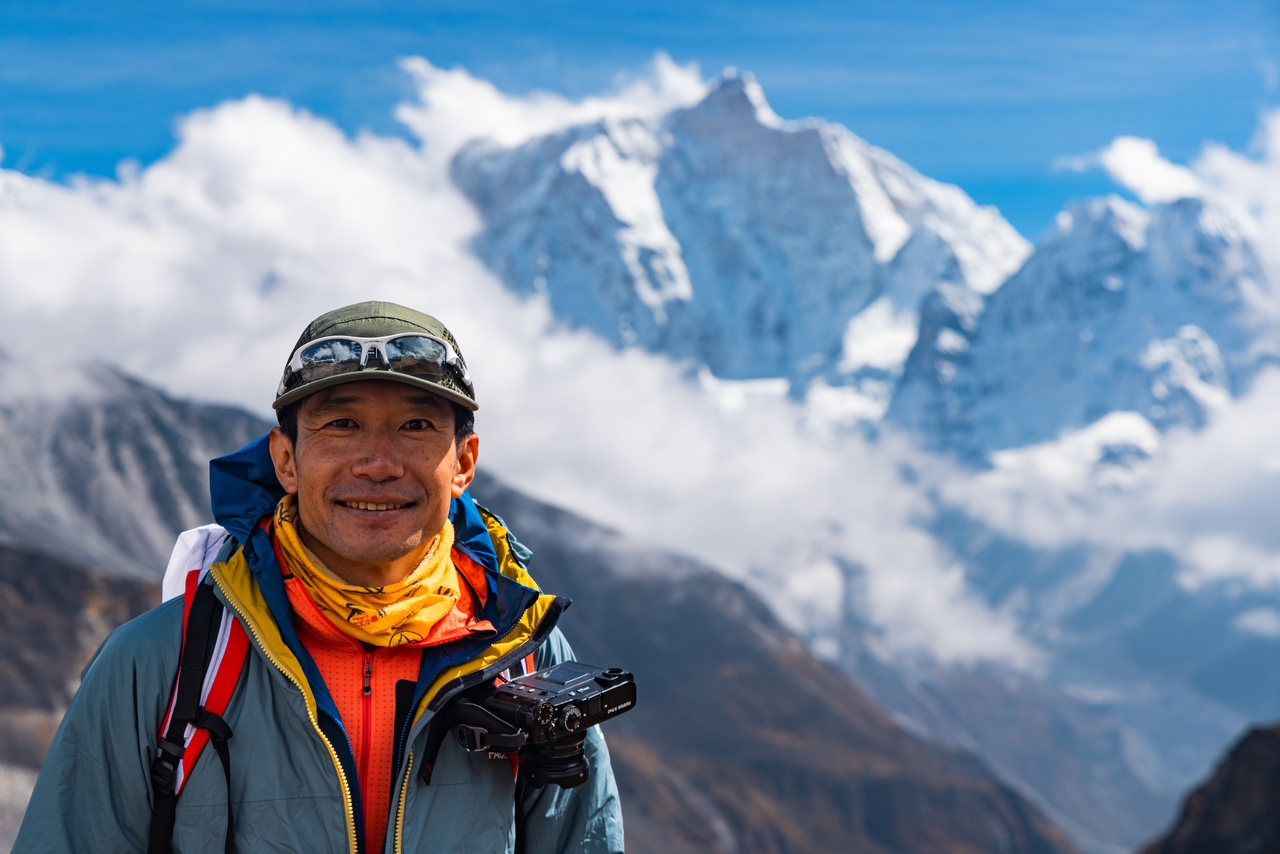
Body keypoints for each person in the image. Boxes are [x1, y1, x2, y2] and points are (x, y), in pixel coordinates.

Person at [14, 301, 625, 853]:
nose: (378, 464)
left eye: (416, 426)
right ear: (286, 459)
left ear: (463, 462)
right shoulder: (158, 664)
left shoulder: (527, 658)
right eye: (341, 425)